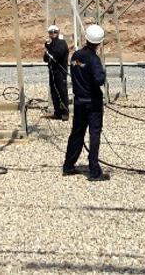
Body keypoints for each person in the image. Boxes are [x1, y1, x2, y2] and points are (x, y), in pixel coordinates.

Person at [63, 24, 109, 182]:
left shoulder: (75, 56)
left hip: (79, 101)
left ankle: (68, 165)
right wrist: (103, 72)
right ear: (99, 43)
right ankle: (94, 171)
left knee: (76, 133)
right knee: (94, 134)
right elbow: (99, 80)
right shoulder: (94, 59)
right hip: (93, 103)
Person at [43, 25, 69, 120]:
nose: (52, 34)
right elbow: (46, 58)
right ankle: (57, 112)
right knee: (54, 92)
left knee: (62, 92)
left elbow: (59, 54)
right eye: (50, 32)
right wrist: (47, 50)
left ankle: (65, 113)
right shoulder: (51, 45)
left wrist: (48, 47)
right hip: (52, 72)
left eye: (54, 32)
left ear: (58, 32)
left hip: (60, 72)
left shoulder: (62, 43)